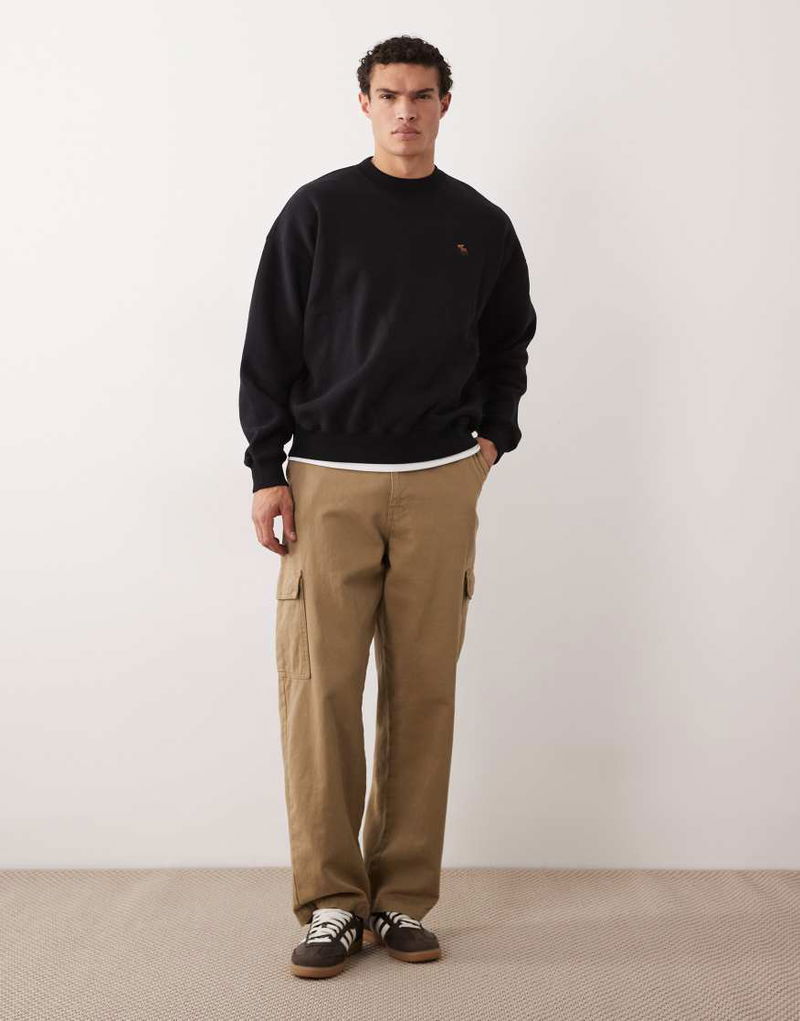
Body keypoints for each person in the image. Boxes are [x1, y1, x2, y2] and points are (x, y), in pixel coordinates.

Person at [239, 34, 537, 980]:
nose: (406, 110)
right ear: (363, 103)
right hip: (326, 480)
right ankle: (332, 902)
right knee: (320, 693)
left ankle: (402, 895)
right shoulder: (318, 211)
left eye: (421, 95)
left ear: (446, 103)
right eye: (389, 94)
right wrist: (266, 468)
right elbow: (269, 342)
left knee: (422, 692)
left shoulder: (480, 223)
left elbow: (508, 343)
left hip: (442, 479)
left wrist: (494, 438)